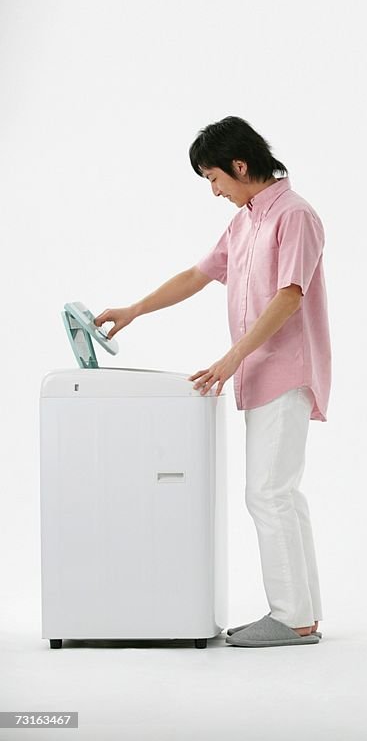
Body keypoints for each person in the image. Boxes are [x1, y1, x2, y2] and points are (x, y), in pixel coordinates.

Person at [95, 116, 331, 648]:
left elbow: (290, 296)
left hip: (285, 368)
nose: (214, 190)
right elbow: (198, 275)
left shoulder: (294, 216)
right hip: (259, 370)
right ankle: (303, 614)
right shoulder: (248, 220)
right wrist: (136, 309)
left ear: (240, 165)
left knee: (267, 493)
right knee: (283, 496)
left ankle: (292, 618)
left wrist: (229, 360)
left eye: (214, 178)